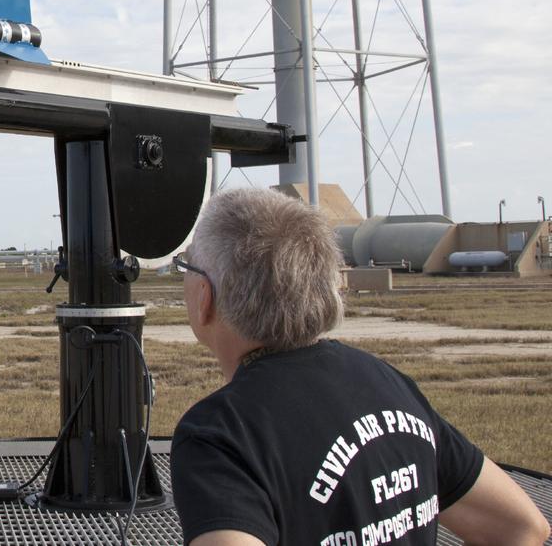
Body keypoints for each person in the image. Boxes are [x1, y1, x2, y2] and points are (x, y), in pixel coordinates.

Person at [170, 187, 550, 546]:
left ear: (206, 296)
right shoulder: (385, 381)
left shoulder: (220, 436)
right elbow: (521, 527)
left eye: (187, 266)